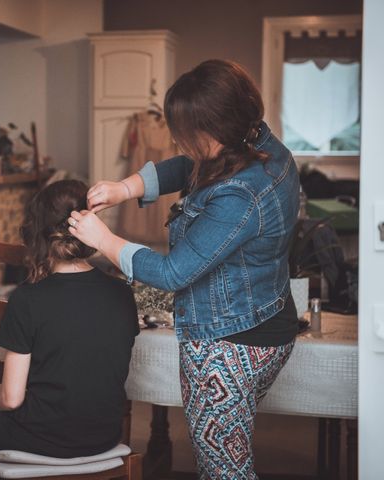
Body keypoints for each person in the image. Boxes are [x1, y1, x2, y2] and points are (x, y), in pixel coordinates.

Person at [68, 60, 300, 479]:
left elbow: (174, 273)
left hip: (227, 345)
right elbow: (191, 163)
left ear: (217, 127)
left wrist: (104, 239)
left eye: (185, 132)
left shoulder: (241, 193)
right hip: (269, 319)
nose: (177, 139)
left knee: (224, 470)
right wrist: (127, 187)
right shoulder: (260, 144)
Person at [0, 180, 139, 479]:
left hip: (45, 436)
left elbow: (11, 399)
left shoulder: (27, 298)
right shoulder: (121, 292)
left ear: (38, 232)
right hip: (105, 433)